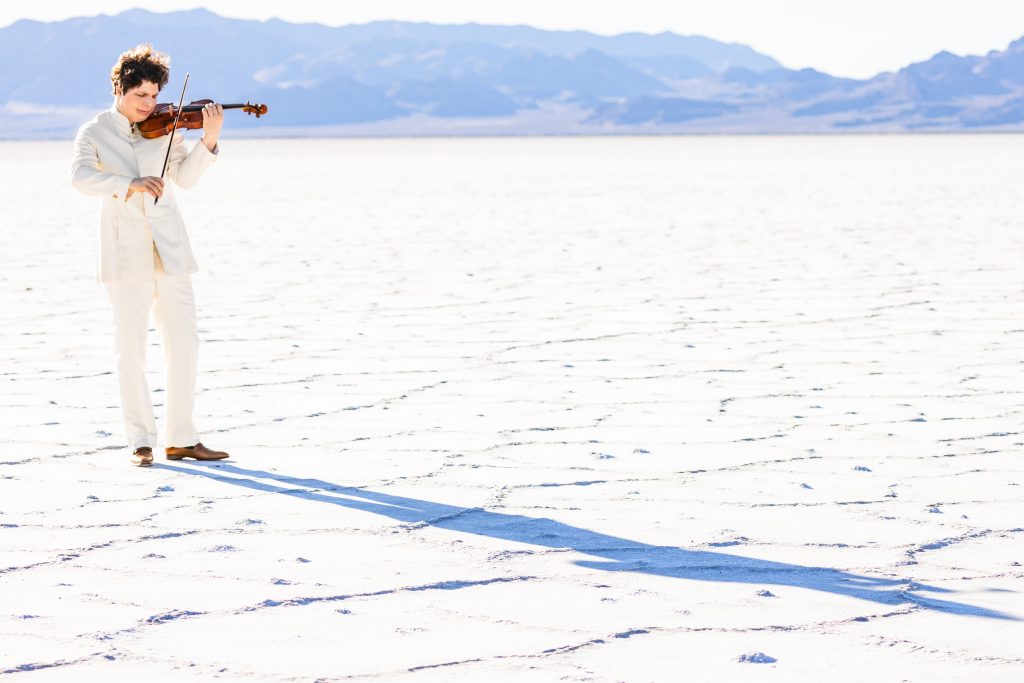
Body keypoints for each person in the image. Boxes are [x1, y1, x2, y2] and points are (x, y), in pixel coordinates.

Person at [70, 43, 230, 467]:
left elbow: (186, 178)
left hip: (172, 253)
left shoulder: (167, 128)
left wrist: (208, 142)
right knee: (131, 349)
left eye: (156, 96)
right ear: (119, 89)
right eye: (141, 95)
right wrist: (131, 182)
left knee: (185, 343)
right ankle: (141, 440)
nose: (150, 104)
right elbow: (81, 177)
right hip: (126, 257)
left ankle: (182, 438)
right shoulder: (94, 132)